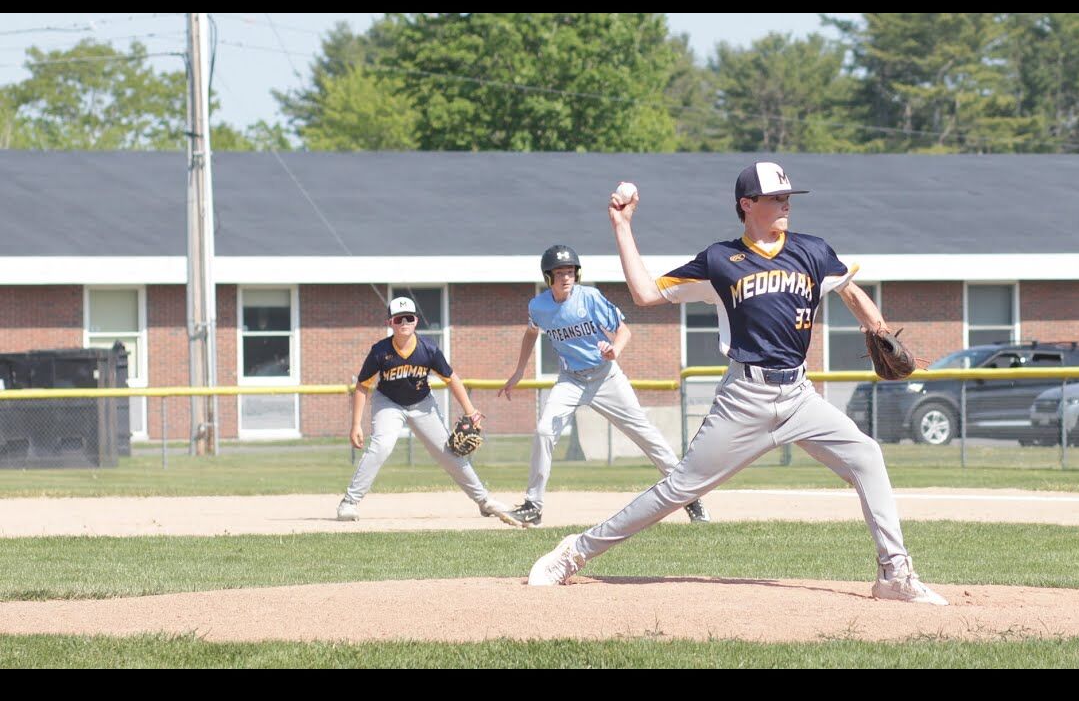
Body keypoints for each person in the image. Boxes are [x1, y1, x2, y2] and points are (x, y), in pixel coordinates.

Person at [527, 162, 947, 605]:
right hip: (744, 397)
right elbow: (646, 294)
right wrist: (622, 226)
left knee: (867, 456)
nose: (786, 203)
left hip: (799, 396)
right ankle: (575, 552)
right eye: (775, 197)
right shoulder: (720, 261)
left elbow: (847, 288)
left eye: (787, 197)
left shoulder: (813, 251)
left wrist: (879, 330)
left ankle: (894, 574)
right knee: (680, 488)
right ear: (747, 205)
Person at [498, 245, 710, 527]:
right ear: (549, 277)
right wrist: (519, 370)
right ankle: (533, 506)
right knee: (544, 431)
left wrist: (615, 350)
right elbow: (531, 332)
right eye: (560, 272)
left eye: (571, 271)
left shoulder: (590, 298)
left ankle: (690, 497)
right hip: (570, 380)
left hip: (606, 378)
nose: (566, 277)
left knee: (646, 436)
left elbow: (623, 331)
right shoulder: (538, 306)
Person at [337, 296, 518, 527]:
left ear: (416, 321)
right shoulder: (379, 352)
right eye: (398, 318)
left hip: (422, 403)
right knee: (381, 446)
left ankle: (484, 501)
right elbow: (362, 386)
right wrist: (356, 425)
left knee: (449, 453)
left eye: (409, 318)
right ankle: (349, 502)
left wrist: (471, 410)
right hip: (389, 402)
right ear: (390, 322)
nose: (404, 322)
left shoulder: (428, 349)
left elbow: (452, 379)